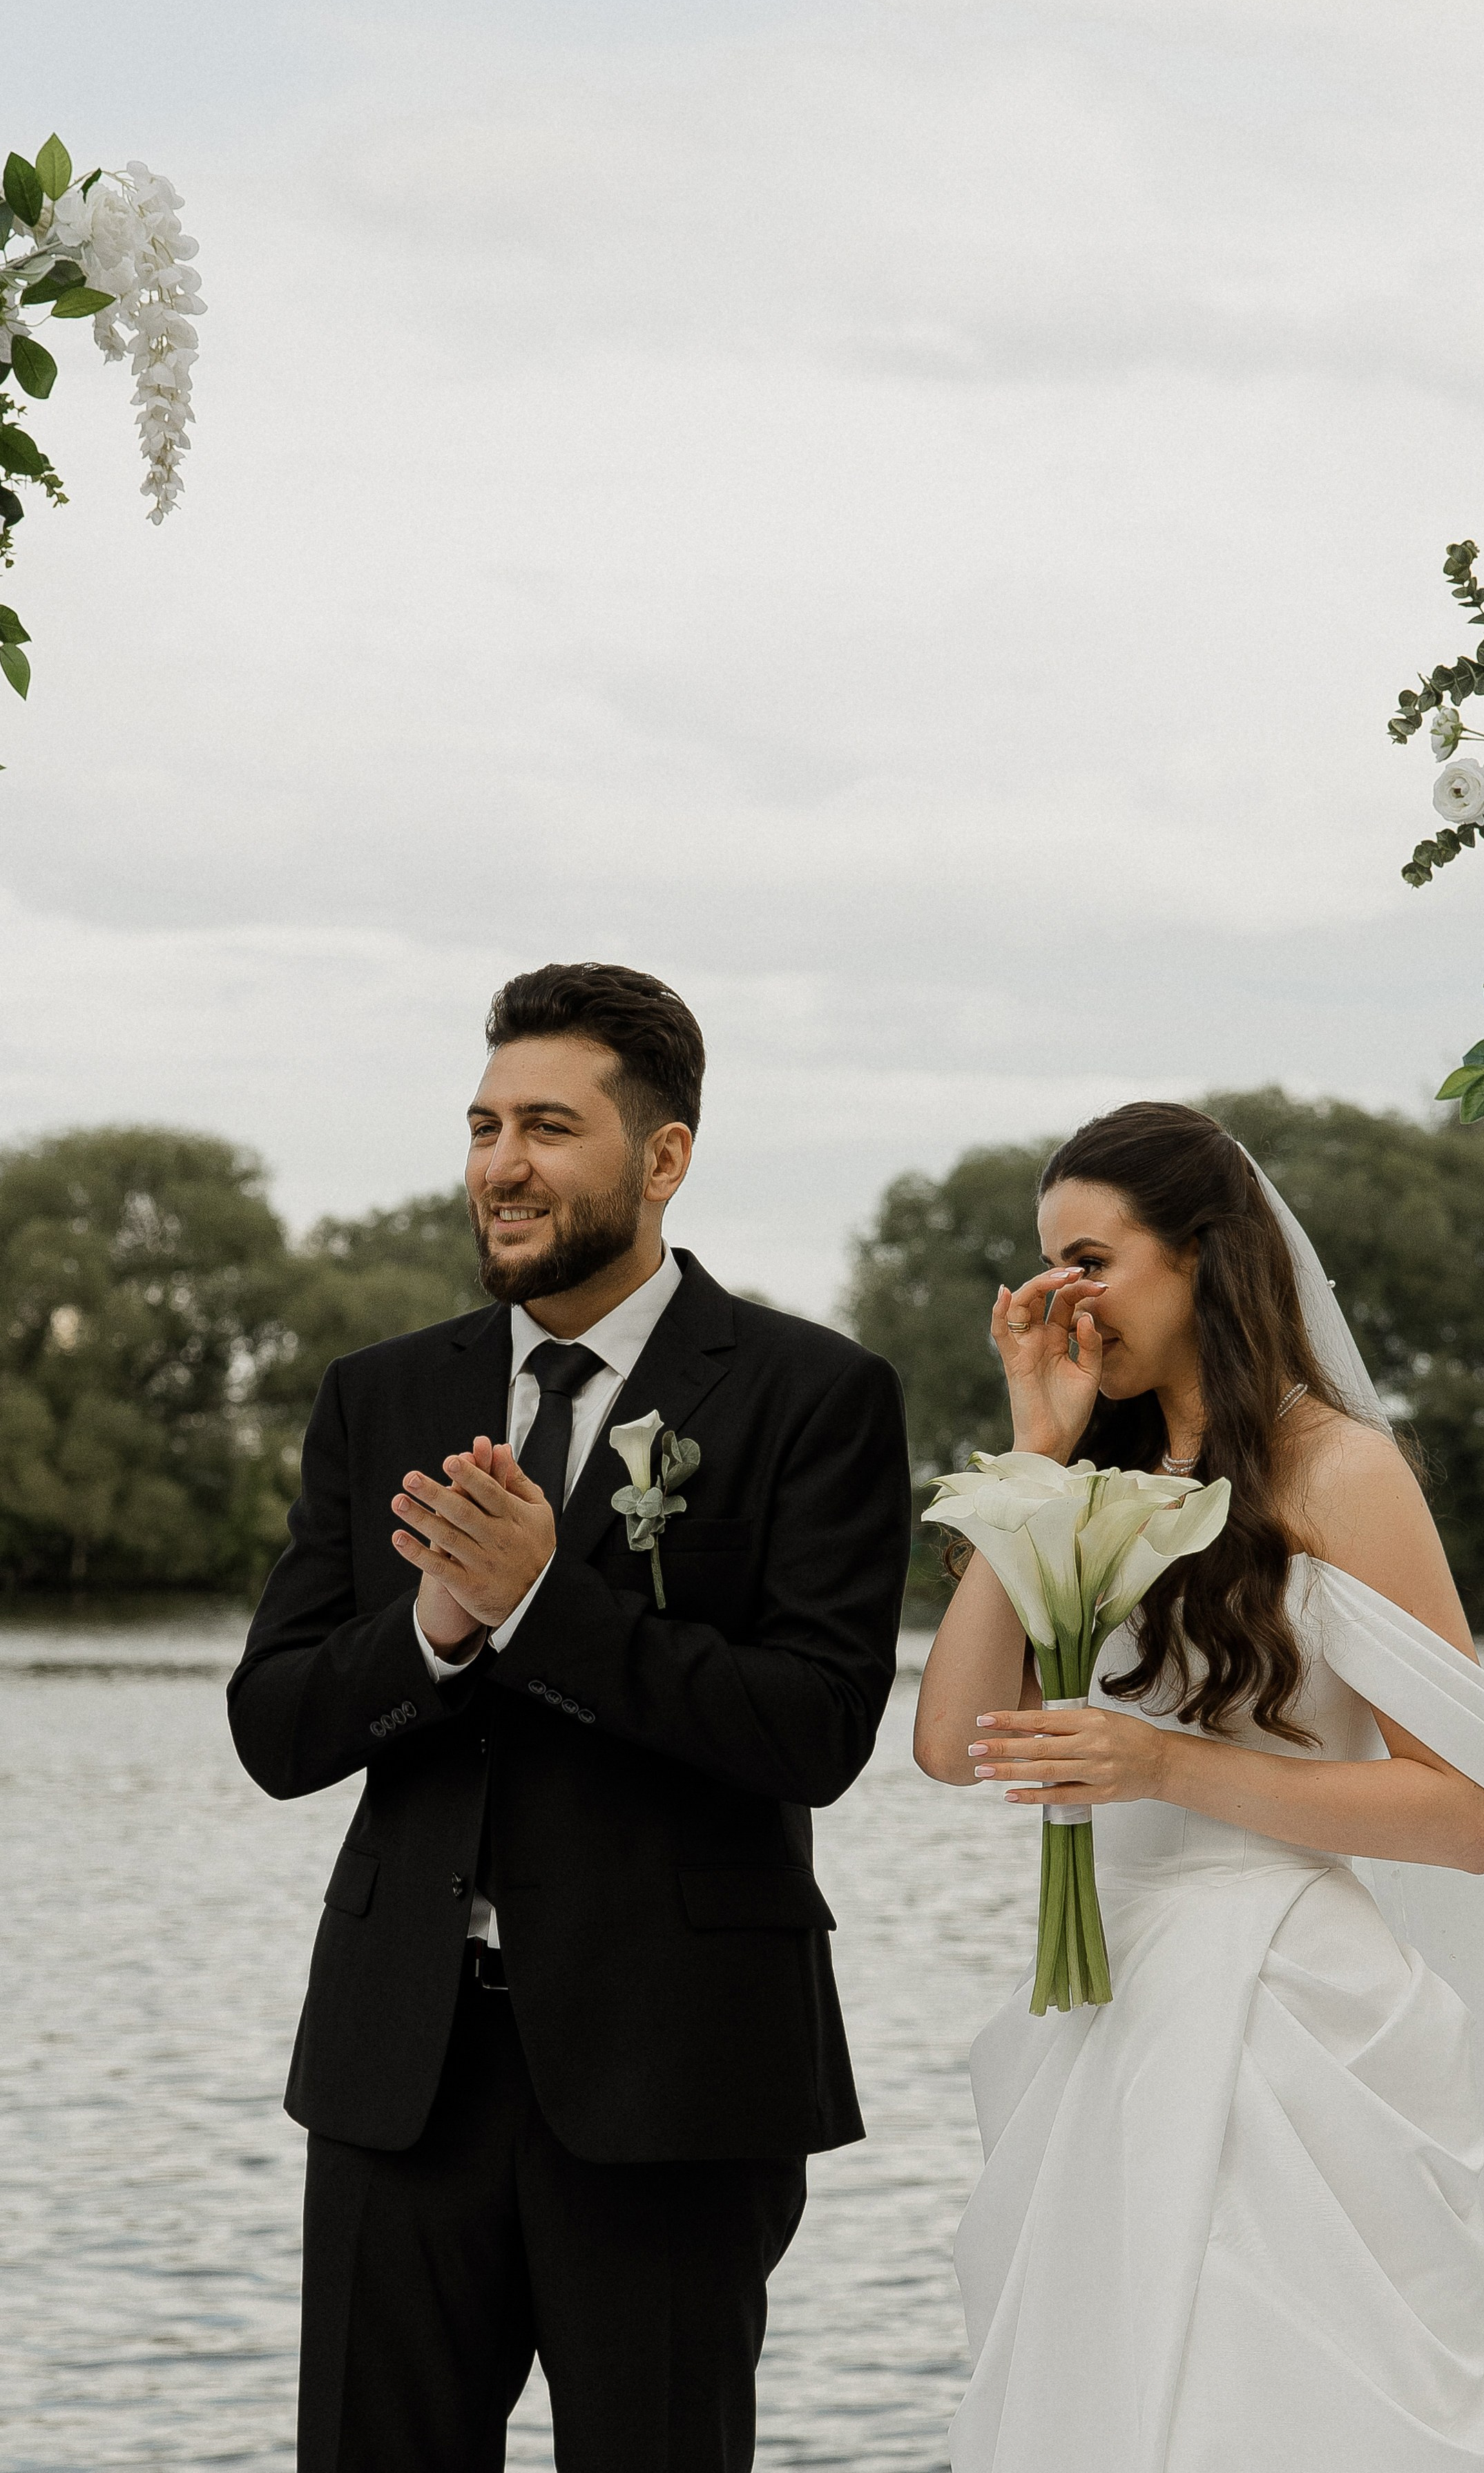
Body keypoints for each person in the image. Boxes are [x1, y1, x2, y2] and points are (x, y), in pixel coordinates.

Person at [914, 1101, 1484, 2473]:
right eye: (1047, 1264)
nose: (1066, 1296)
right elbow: (949, 1740)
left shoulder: (1340, 1468)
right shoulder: (1089, 1481)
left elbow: (1466, 1814)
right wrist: (1036, 1455)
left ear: (1206, 1258)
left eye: (1094, 1259)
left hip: (1284, 2011)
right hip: (1109, 2011)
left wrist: (1167, 1762)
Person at [228, 960, 912, 2473]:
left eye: (547, 1123)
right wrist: (436, 1630)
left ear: (663, 1155)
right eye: (482, 1125)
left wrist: (550, 1604)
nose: (501, 1164)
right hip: (396, 2072)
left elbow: (815, 1727)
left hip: (678, 2077)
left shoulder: (815, 1393)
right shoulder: (377, 1395)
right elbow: (276, 1726)